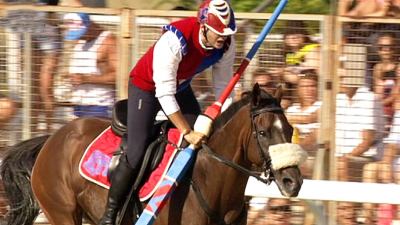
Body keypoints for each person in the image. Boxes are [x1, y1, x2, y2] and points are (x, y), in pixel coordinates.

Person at [99, 0, 236, 224]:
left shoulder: (227, 43)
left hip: (179, 87)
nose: (223, 37)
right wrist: (185, 130)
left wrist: (226, 121)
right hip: (147, 87)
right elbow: (163, 93)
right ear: (203, 25)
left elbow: (223, 88)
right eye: (217, 32)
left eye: (227, 32)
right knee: (137, 147)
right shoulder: (174, 39)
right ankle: (110, 213)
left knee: (204, 138)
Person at [63, 13, 117, 118]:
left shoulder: (108, 42)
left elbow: (118, 76)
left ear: (90, 25)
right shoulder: (80, 41)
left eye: (81, 33)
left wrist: (86, 79)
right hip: (78, 103)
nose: (80, 37)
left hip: (100, 105)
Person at [286, 70, 321, 178]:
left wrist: (292, 120)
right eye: (304, 87)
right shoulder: (292, 109)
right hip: (290, 152)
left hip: (313, 155)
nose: (309, 90)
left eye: (312, 86)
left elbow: (312, 121)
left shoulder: (322, 105)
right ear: (298, 89)